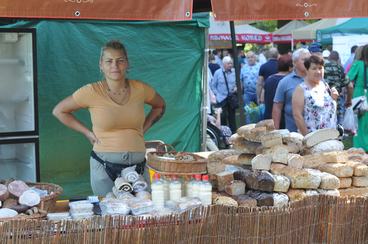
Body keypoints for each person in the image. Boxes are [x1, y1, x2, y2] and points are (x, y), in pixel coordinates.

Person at [52, 40, 166, 196]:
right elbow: (59, 111)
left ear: (127, 63)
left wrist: (143, 128)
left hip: (138, 167)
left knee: (142, 214)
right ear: (101, 65)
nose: (115, 66)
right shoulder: (91, 91)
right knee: (110, 215)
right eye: (109, 61)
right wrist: (87, 132)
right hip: (104, 167)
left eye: (120, 61)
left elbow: (160, 105)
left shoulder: (140, 89)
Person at [292, 55, 338, 135]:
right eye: (314, 68)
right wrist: (308, 139)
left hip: (331, 137)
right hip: (313, 140)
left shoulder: (325, 85)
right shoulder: (301, 89)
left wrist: (334, 99)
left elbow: (328, 110)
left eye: (320, 68)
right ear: (307, 70)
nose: (318, 71)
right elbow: (297, 116)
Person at [273, 48, 311, 131]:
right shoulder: (285, 82)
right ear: (294, 63)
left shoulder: (318, 80)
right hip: (293, 133)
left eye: (309, 59)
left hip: (316, 131)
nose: (308, 62)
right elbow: (277, 107)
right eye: (304, 59)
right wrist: (275, 130)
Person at [347, 44, 368, 151]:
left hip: (360, 96)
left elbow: (348, 79)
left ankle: (360, 147)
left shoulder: (358, 64)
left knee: (359, 123)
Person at [324, 50, 353, 125]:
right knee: (338, 130)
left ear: (329, 58)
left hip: (323, 102)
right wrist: (348, 101)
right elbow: (350, 86)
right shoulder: (340, 68)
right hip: (338, 103)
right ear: (338, 59)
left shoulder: (322, 67)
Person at [263, 54, 293, 127]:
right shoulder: (288, 81)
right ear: (290, 68)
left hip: (268, 116)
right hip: (283, 119)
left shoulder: (269, 79)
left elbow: (262, 97)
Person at [210, 56, 237, 133]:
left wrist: (236, 88)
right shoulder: (217, 73)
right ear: (224, 64)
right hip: (221, 98)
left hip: (231, 98)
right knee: (222, 117)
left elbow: (237, 83)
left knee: (232, 117)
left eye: (231, 63)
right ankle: (224, 135)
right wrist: (217, 95)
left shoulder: (234, 72)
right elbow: (213, 86)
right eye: (229, 63)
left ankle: (234, 134)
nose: (230, 65)